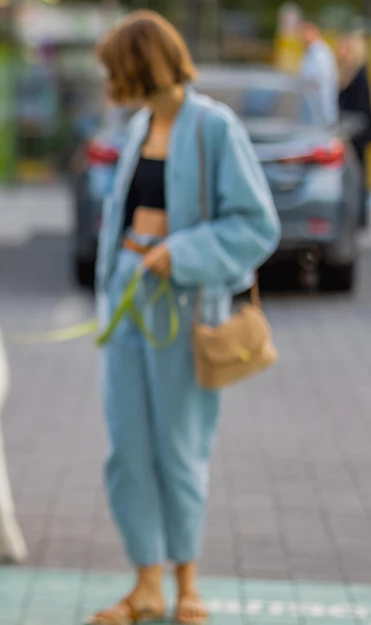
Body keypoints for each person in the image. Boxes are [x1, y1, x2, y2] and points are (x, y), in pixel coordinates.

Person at [88, 11, 279, 625]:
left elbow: (258, 225)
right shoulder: (139, 126)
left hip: (183, 298)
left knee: (180, 446)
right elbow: (120, 219)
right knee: (128, 448)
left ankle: (187, 583)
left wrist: (183, 253)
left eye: (116, 71)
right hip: (128, 293)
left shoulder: (214, 127)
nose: (110, 83)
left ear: (139, 66)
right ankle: (145, 585)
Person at [337, 31, 371, 228]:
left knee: (359, 176)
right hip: (353, 131)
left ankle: (360, 217)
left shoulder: (358, 74)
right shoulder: (348, 72)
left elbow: (363, 108)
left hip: (357, 133)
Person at [299, 21, 339, 126]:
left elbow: (317, 81)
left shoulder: (320, 53)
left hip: (320, 109)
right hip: (313, 108)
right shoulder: (312, 51)